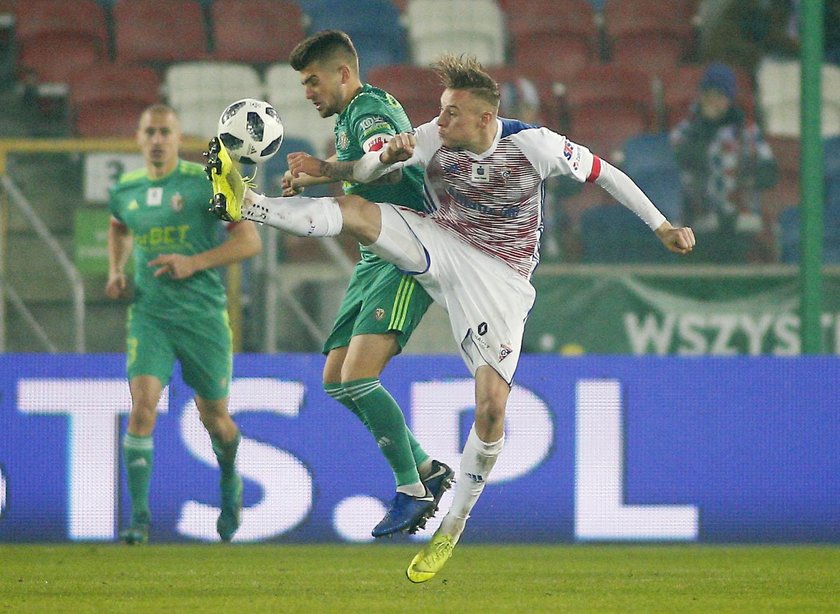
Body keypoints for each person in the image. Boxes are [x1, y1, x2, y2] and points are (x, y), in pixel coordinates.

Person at [206, 54, 694, 581]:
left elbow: (607, 174)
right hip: (444, 241)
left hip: (502, 281)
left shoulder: (536, 145)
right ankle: (245, 204)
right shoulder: (432, 138)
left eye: (452, 114)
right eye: (439, 112)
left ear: (486, 119)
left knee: (490, 410)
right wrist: (349, 165)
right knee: (359, 215)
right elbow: (369, 171)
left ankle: (450, 529)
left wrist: (662, 224)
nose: (439, 122)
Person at [283, 30, 453, 538]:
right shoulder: (347, 118)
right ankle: (425, 466)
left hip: (405, 254)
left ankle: (411, 490)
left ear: (343, 73)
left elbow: (383, 160)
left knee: (359, 376)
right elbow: (361, 171)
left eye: (313, 81)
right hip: (371, 260)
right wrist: (318, 177)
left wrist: (325, 170)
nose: (308, 92)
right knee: (336, 380)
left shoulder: (369, 110)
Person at [106, 104, 262, 544]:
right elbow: (118, 228)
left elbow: (249, 241)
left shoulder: (203, 183)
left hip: (202, 317)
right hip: (150, 315)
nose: (157, 140)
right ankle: (138, 519)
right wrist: (116, 271)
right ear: (138, 138)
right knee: (142, 406)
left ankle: (230, 482)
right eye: (149, 131)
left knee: (214, 418)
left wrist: (193, 262)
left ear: (178, 139)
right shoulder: (126, 189)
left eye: (165, 132)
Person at [669, 62, 777, 263]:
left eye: (720, 96)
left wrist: (749, 178)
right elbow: (686, 159)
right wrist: (706, 127)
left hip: (742, 223)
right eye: (709, 96)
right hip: (699, 223)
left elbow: (769, 172)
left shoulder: (747, 132)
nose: (714, 102)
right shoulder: (686, 131)